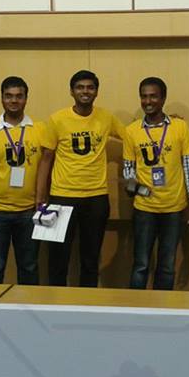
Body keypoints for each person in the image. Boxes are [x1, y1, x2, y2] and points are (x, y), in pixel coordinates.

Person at [36, 70, 126, 287]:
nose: (85, 91)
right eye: (80, 87)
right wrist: (40, 199)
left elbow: (133, 135)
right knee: (58, 258)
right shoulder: (57, 119)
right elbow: (46, 160)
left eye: (90, 87)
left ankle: (87, 306)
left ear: (96, 91)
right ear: (71, 91)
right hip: (61, 197)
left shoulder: (106, 117)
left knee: (90, 258)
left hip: (95, 198)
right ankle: (55, 305)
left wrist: (165, 123)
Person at [123, 77, 189, 290]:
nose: (148, 101)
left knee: (167, 265)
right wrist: (135, 188)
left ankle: (163, 311)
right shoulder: (131, 131)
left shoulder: (180, 127)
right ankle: (136, 312)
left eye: (153, 96)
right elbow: (128, 169)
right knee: (140, 265)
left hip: (174, 209)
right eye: (144, 96)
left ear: (163, 98)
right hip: (144, 209)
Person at [0, 76, 46, 284]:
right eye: (9, 96)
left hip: (29, 212)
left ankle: (29, 315)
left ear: (26, 99)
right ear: (2, 99)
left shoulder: (40, 130)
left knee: (29, 268)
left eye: (19, 96)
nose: (14, 100)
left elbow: (48, 166)